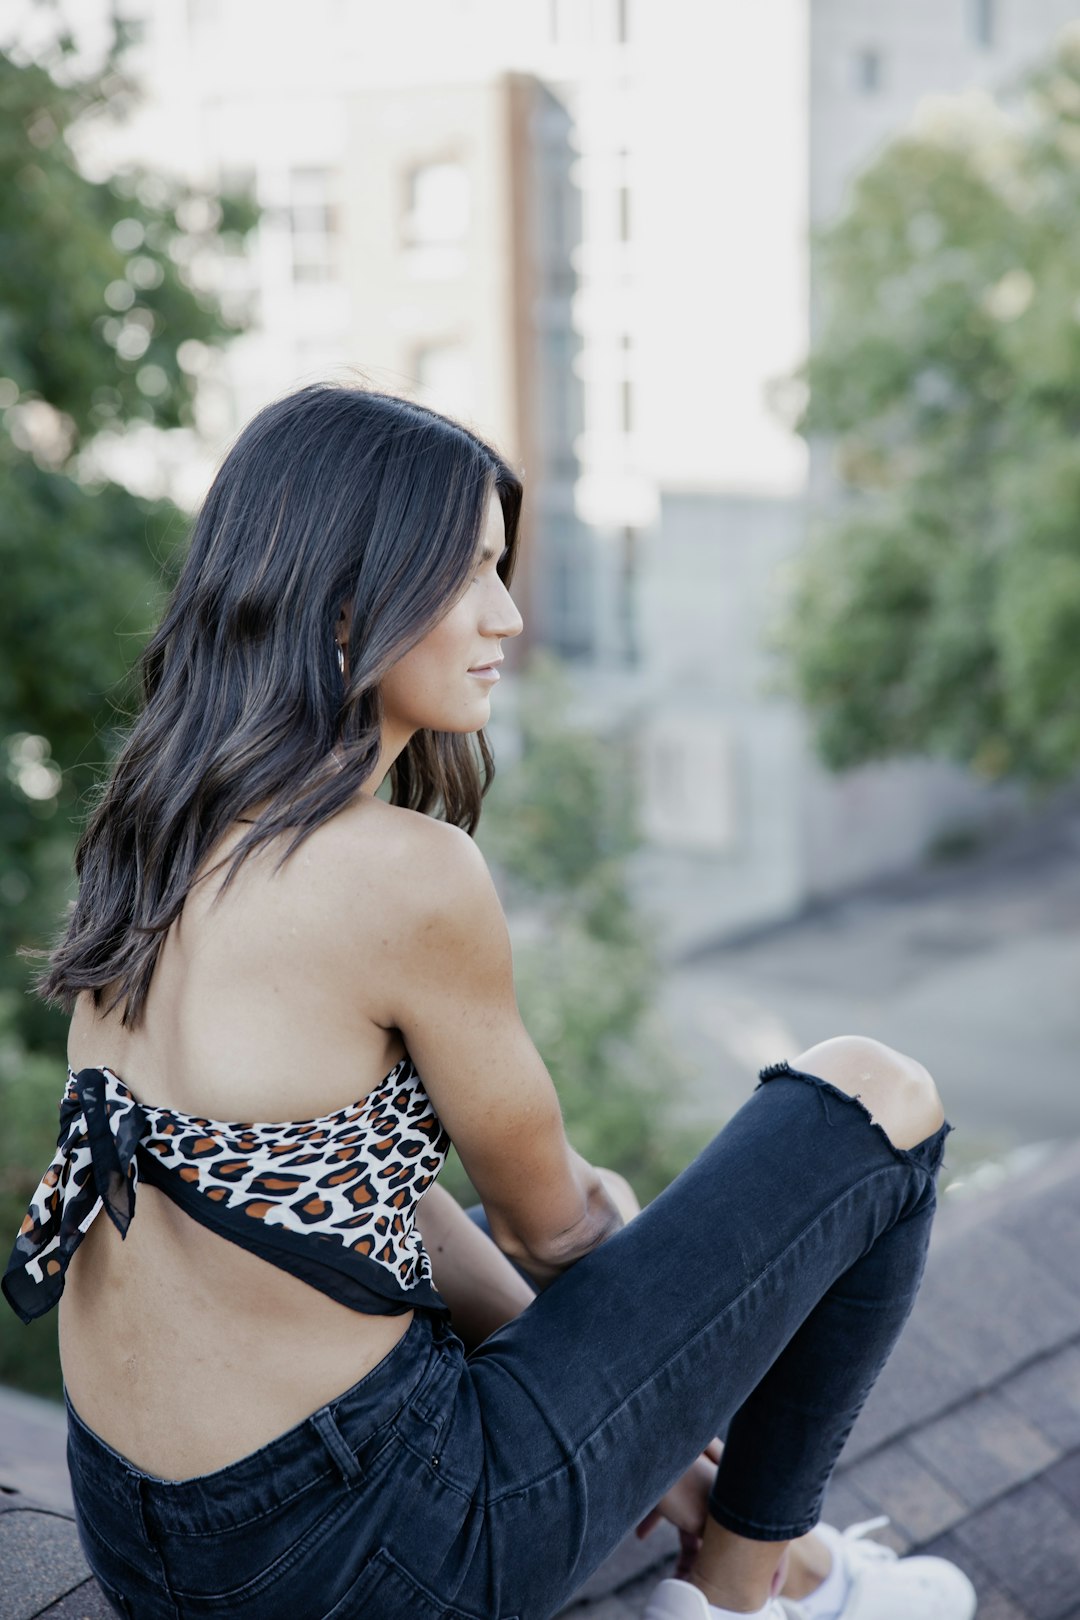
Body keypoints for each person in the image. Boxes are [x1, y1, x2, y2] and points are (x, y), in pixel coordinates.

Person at [3, 383, 977, 1620]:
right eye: (469, 573)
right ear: (347, 596)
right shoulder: (402, 873)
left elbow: (345, 1188)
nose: (508, 615)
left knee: (582, 1328)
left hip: (155, 1544)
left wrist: (643, 1425)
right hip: (371, 1553)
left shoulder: (150, 833)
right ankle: (744, 1596)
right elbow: (552, 1230)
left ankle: (808, 1562)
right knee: (876, 1098)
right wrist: (637, 1301)